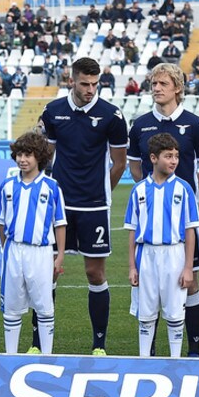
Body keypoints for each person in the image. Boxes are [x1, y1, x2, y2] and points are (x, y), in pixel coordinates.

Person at [39, 57, 128, 355]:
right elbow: (45, 156)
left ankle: (98, 344)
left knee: (94, 273)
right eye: (84, 84)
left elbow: (119, 163)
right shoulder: (53, 111)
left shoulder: (112, 116)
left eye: (95, 84)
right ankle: (40, 344)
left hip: (94, 206)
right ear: (72, 81)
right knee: (48, 271)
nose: (90, 90)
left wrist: (101, 191)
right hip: (59, 206)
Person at [128, 64, 199, 356]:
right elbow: (134, 166)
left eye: (163, 83)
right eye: (153, 83)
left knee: (190, 283)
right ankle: (148, 352)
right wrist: (153, 196)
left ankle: (194, 350)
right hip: (151, 226)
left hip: (182, 221)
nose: (156, 87)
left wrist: (185, 194)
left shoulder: (195, 124)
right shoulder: (139, 124)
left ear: (177, 87)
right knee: (148, 288)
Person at [125, 133, 199, 358]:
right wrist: (132, 266)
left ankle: (175, 360)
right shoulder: (138, 190)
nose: (174, 161)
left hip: (174, 254)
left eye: (176, 156)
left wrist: (188, 267)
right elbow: (132, 231)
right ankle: (144, 359)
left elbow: (190, 230)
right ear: (154, 158)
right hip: (146, 255)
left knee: (175, 312)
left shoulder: (184, 188)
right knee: (146, 313)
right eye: (168, 156)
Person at [0, 132, 66, 355]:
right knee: (12, 308)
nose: (22, 160)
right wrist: (7, 248)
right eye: (19, 155)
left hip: (41, 252)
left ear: (39, 157)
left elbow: (60, 223)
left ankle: (46, 355)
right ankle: (11, 355)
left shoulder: (51, 187)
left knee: (44, 307)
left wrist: (59, 254)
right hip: (14, 251)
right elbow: (1, 223)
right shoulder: (7, 186)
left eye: (28, 155)